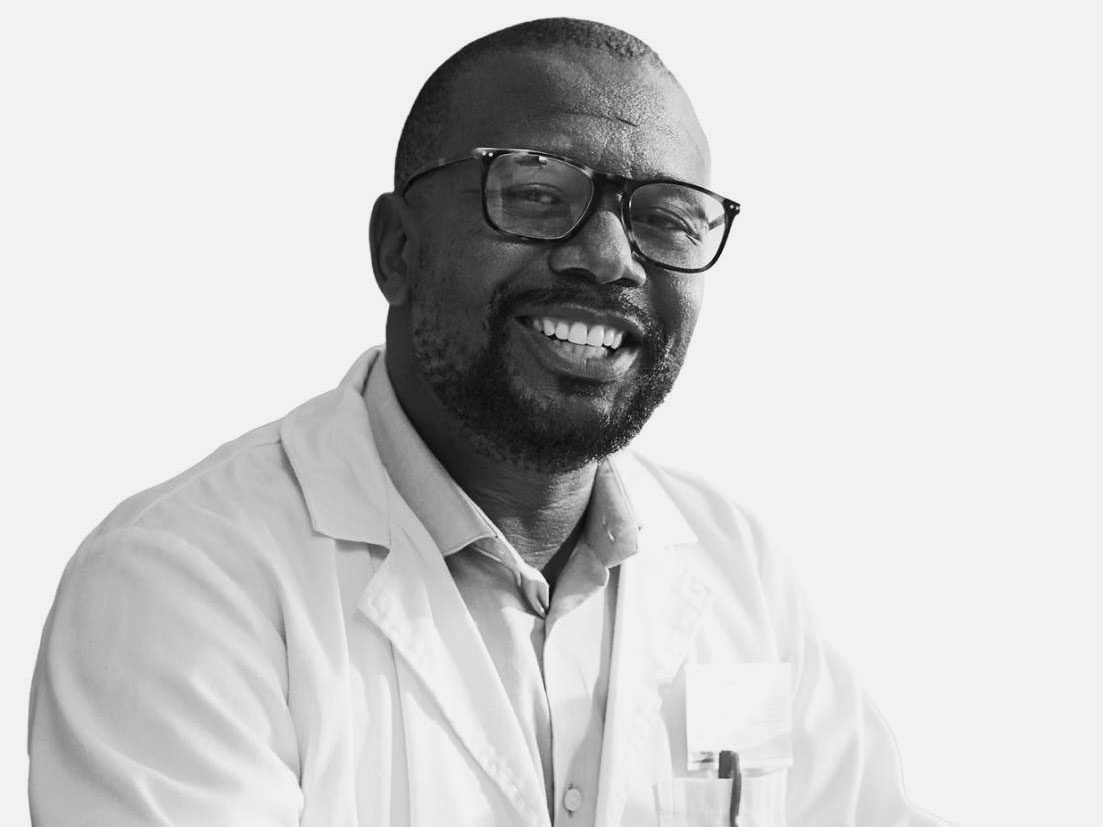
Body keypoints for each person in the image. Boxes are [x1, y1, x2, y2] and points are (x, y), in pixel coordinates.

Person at [28, 17, 950, 827]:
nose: (605, 257)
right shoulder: (179, 582)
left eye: (668, 218)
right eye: (536, 195)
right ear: (398, 249)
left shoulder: (739, 568)